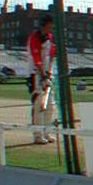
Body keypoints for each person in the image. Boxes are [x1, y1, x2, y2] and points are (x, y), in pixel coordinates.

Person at [26, 15, 56, 144]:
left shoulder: (50, 38)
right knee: (38, 104)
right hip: (35, 75)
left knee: (50, 105)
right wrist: (43, 75)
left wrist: (49, 72)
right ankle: (38, 135)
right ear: (45, 25)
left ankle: (47, 132)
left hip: (46, 75)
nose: (52, 27)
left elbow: (52, 56)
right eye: (51, 25)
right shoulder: (35, 38)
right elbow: (37, 59)